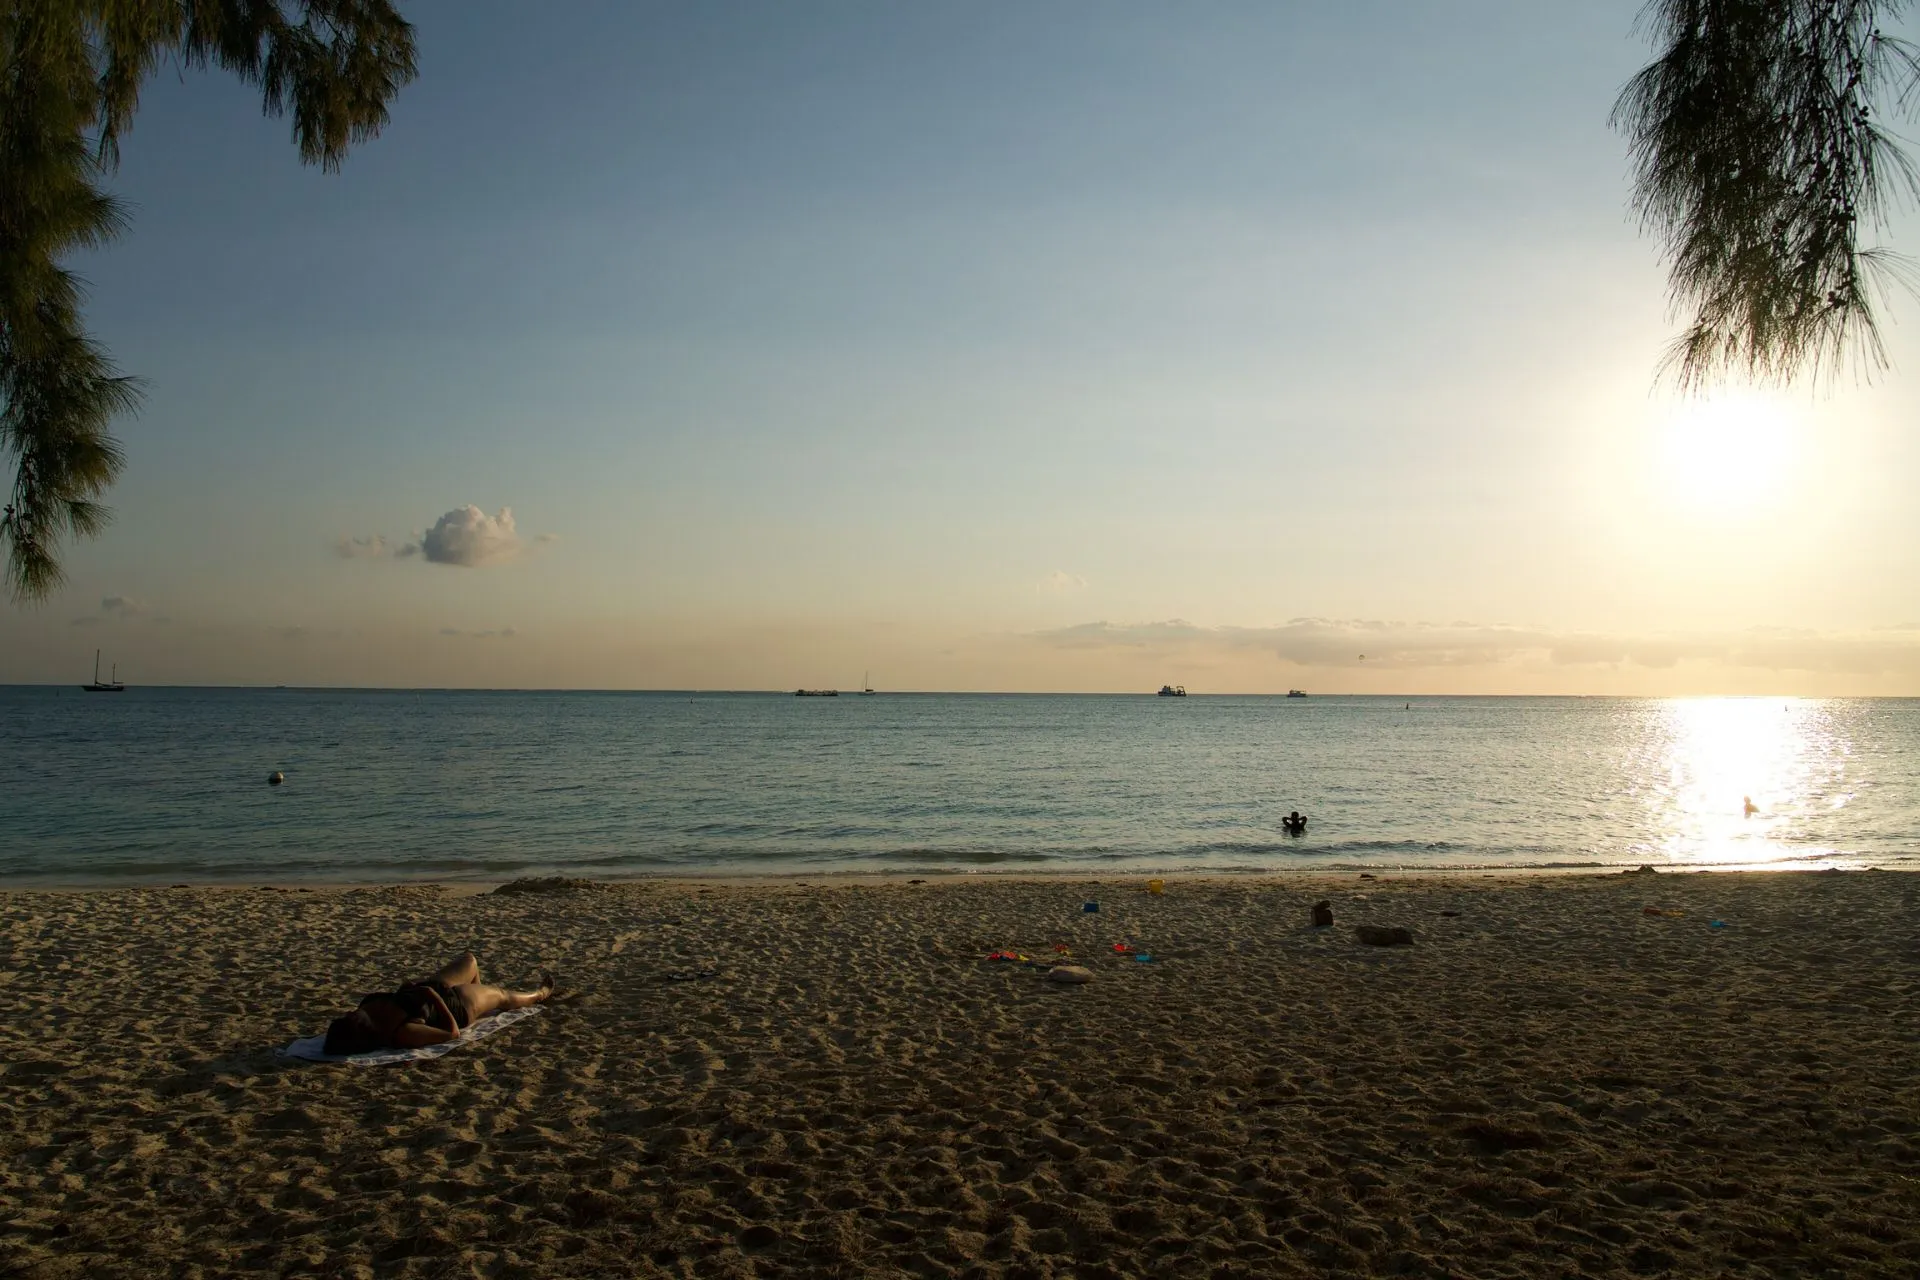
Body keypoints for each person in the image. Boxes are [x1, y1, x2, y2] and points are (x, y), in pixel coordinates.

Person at [323, 951, 553, 1055]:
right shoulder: (401, 1033)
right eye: (348, 1020)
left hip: (434, 987)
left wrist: (409, 989)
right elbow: (451, 1034)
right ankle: (540, 994)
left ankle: (483, 994)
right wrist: (433, 999)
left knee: (469, 960)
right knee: (502, 995)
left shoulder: (367, 1008)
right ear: (361, 1031)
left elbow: (400, 999)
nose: (348, 1014)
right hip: (458, 1005)